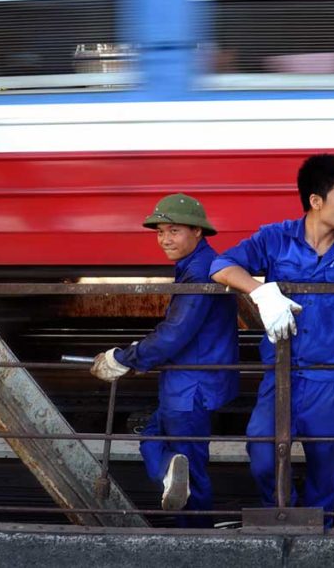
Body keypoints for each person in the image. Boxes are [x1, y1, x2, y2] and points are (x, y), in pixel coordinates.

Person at [209, 154, 334, 527]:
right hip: (283, 374)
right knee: (263, 452)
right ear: (316, 201)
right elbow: (221, 265)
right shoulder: (275, 239)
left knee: (325, 467)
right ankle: (281, 514)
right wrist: (260, 291)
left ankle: (317, 529)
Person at [90, 193, 238, 528]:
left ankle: (194, 538)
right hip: (195, 380)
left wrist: (125, 358)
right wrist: (136, 351)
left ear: (197, 232)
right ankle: (171, 468)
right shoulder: (197, 265)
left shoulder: (199, 273)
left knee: (192, 471)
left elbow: (175, 333)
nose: (164, 239)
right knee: (153, 435)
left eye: (173, 231)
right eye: (160, 232)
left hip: (190, 385)